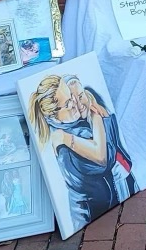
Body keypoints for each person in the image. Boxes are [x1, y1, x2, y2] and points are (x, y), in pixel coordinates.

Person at [26, 74, 137, 233]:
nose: (74, 104)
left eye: (72, 97)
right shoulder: (64, 136)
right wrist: (97, 119)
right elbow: (104, 158)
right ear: (52, 115)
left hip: (106, 208)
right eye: (67, 103)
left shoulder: (73, 121)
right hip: (90, 218)